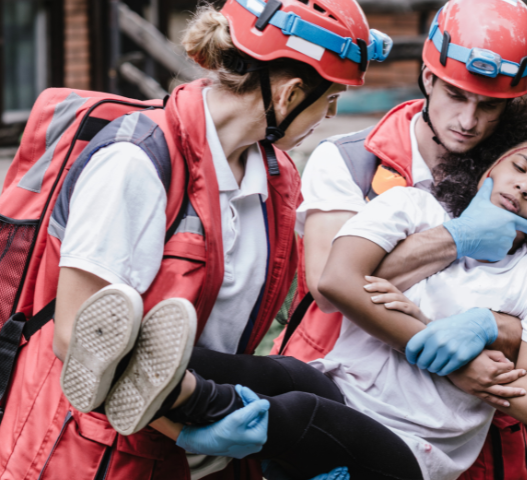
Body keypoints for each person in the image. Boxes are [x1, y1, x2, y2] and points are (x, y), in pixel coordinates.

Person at [65, 99, 527, 480]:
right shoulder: (413, 206)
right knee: (277, 374)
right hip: (347, 388)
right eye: (520, 167)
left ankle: (183, 396)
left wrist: (488, 322)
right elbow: (338, 279)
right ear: (493, 165)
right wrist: (451, 267)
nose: (523, 188)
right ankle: (128, 361)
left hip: (413, 449)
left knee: (301, 408)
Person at [0, 1, 392, 479]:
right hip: (89, 453)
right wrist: (185, 432)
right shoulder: (136, 163)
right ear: (290, 95)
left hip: (199, 449)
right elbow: (77, 340)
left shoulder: (274, 178)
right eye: (330, 99)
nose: (330, 116)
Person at [270, 0, 527, 473]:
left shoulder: (526, 180)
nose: (468, 120)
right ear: (428, 76)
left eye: (489, 106)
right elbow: (328, 286)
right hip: (345, 406)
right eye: (458, 96)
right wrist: (455, 239)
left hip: (459, 435)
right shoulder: (348, 160)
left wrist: (490, 325)